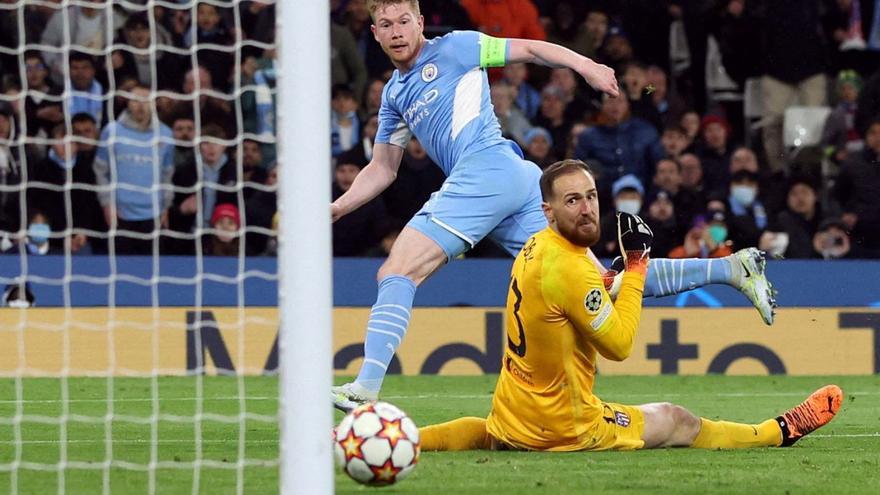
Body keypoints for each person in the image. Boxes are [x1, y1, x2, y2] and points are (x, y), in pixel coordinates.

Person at [331, 0, 776, 411]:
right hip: (515, 181)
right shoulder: (393, 95)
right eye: (386, 24)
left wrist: (586, 65)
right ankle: (733, 269)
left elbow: (529, 49)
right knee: (604, 282)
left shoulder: (456, 48)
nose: (397, 31)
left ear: (421, 23)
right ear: (373, 32)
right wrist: (335, 209)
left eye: (404, 21)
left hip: (487, 170)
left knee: (396, 271)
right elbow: (382, 169)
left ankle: (366, 389)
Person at [417, 159, 842, 453]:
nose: (587, 209)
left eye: (591, 196)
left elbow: (592, 291)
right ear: (547, 211)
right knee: (678, 421)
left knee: (491, 433)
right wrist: (637, 265)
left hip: (513, 412)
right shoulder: (570, 267)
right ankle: (778, 432)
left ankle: (407, 438)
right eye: (572, 201)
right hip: (567, 427)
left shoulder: (538, 246)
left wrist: (630, 275)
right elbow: (619, 345)